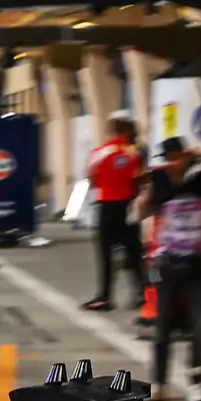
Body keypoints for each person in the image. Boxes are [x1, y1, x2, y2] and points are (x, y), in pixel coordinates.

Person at [142, 134, 201, 398]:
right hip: (166, 260)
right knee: (164, 325)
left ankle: (197, 381)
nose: (173, 163)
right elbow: (142, 211)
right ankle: (159, 382)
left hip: (196, 261)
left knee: (200, 325)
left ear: (185, 156)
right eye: (169, 159)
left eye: (177, 157)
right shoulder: (159, 180)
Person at [82, 113, 145, 310]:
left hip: (107, 205)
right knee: (134, 251)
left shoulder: (99, 152)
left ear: (113, 130)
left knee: (106, 254)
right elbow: (139, 179)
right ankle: (143, 293)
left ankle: (105, 296)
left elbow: (92, 179)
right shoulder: (135, 153)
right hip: (129, 205)